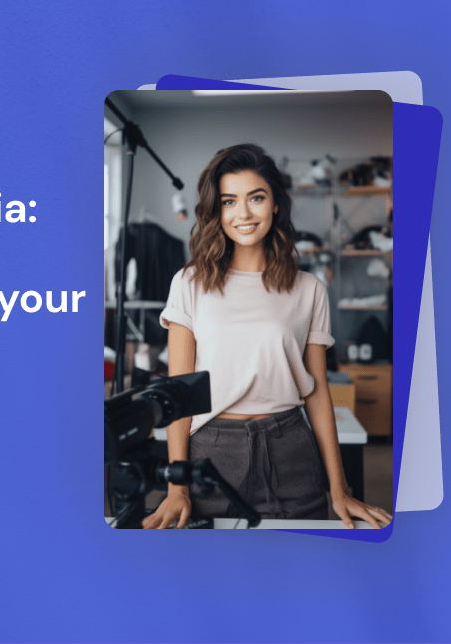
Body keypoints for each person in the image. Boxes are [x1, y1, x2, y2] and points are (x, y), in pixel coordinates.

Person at [142, 144, 392, 530]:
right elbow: (179, 392)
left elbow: (317, 391)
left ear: (275, 204)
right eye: (229, 201)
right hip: (210, 452)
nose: (243, 213)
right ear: (216, 210)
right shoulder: (189, 283)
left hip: (289, 449)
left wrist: (339, 489)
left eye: (256, 198)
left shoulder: (309, 289)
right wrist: (178, 487)